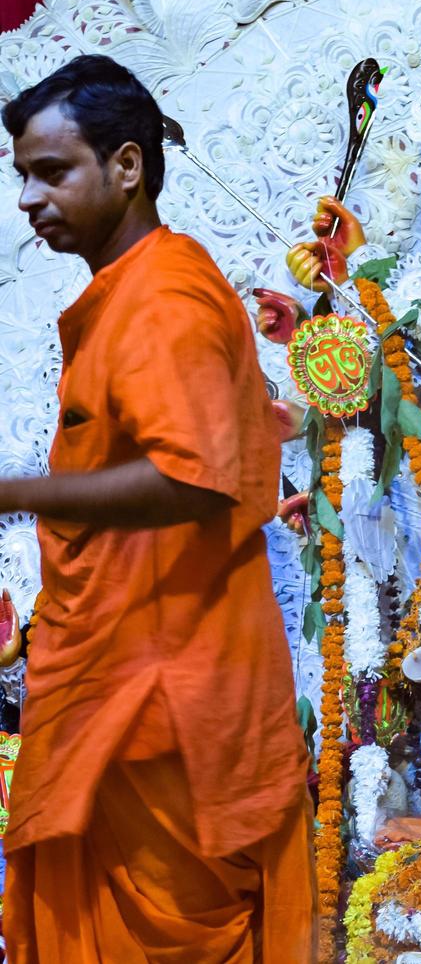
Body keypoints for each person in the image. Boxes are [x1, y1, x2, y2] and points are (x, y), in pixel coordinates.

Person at [0, 54, 314, 961]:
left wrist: (12, 492)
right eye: (21, 174)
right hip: (134, 662)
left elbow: (195, 478)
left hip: (169, 684)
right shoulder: (143, 285)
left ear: (127, 166)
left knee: (179, 929)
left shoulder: (163, 298)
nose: (27, 198)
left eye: (51, 170)